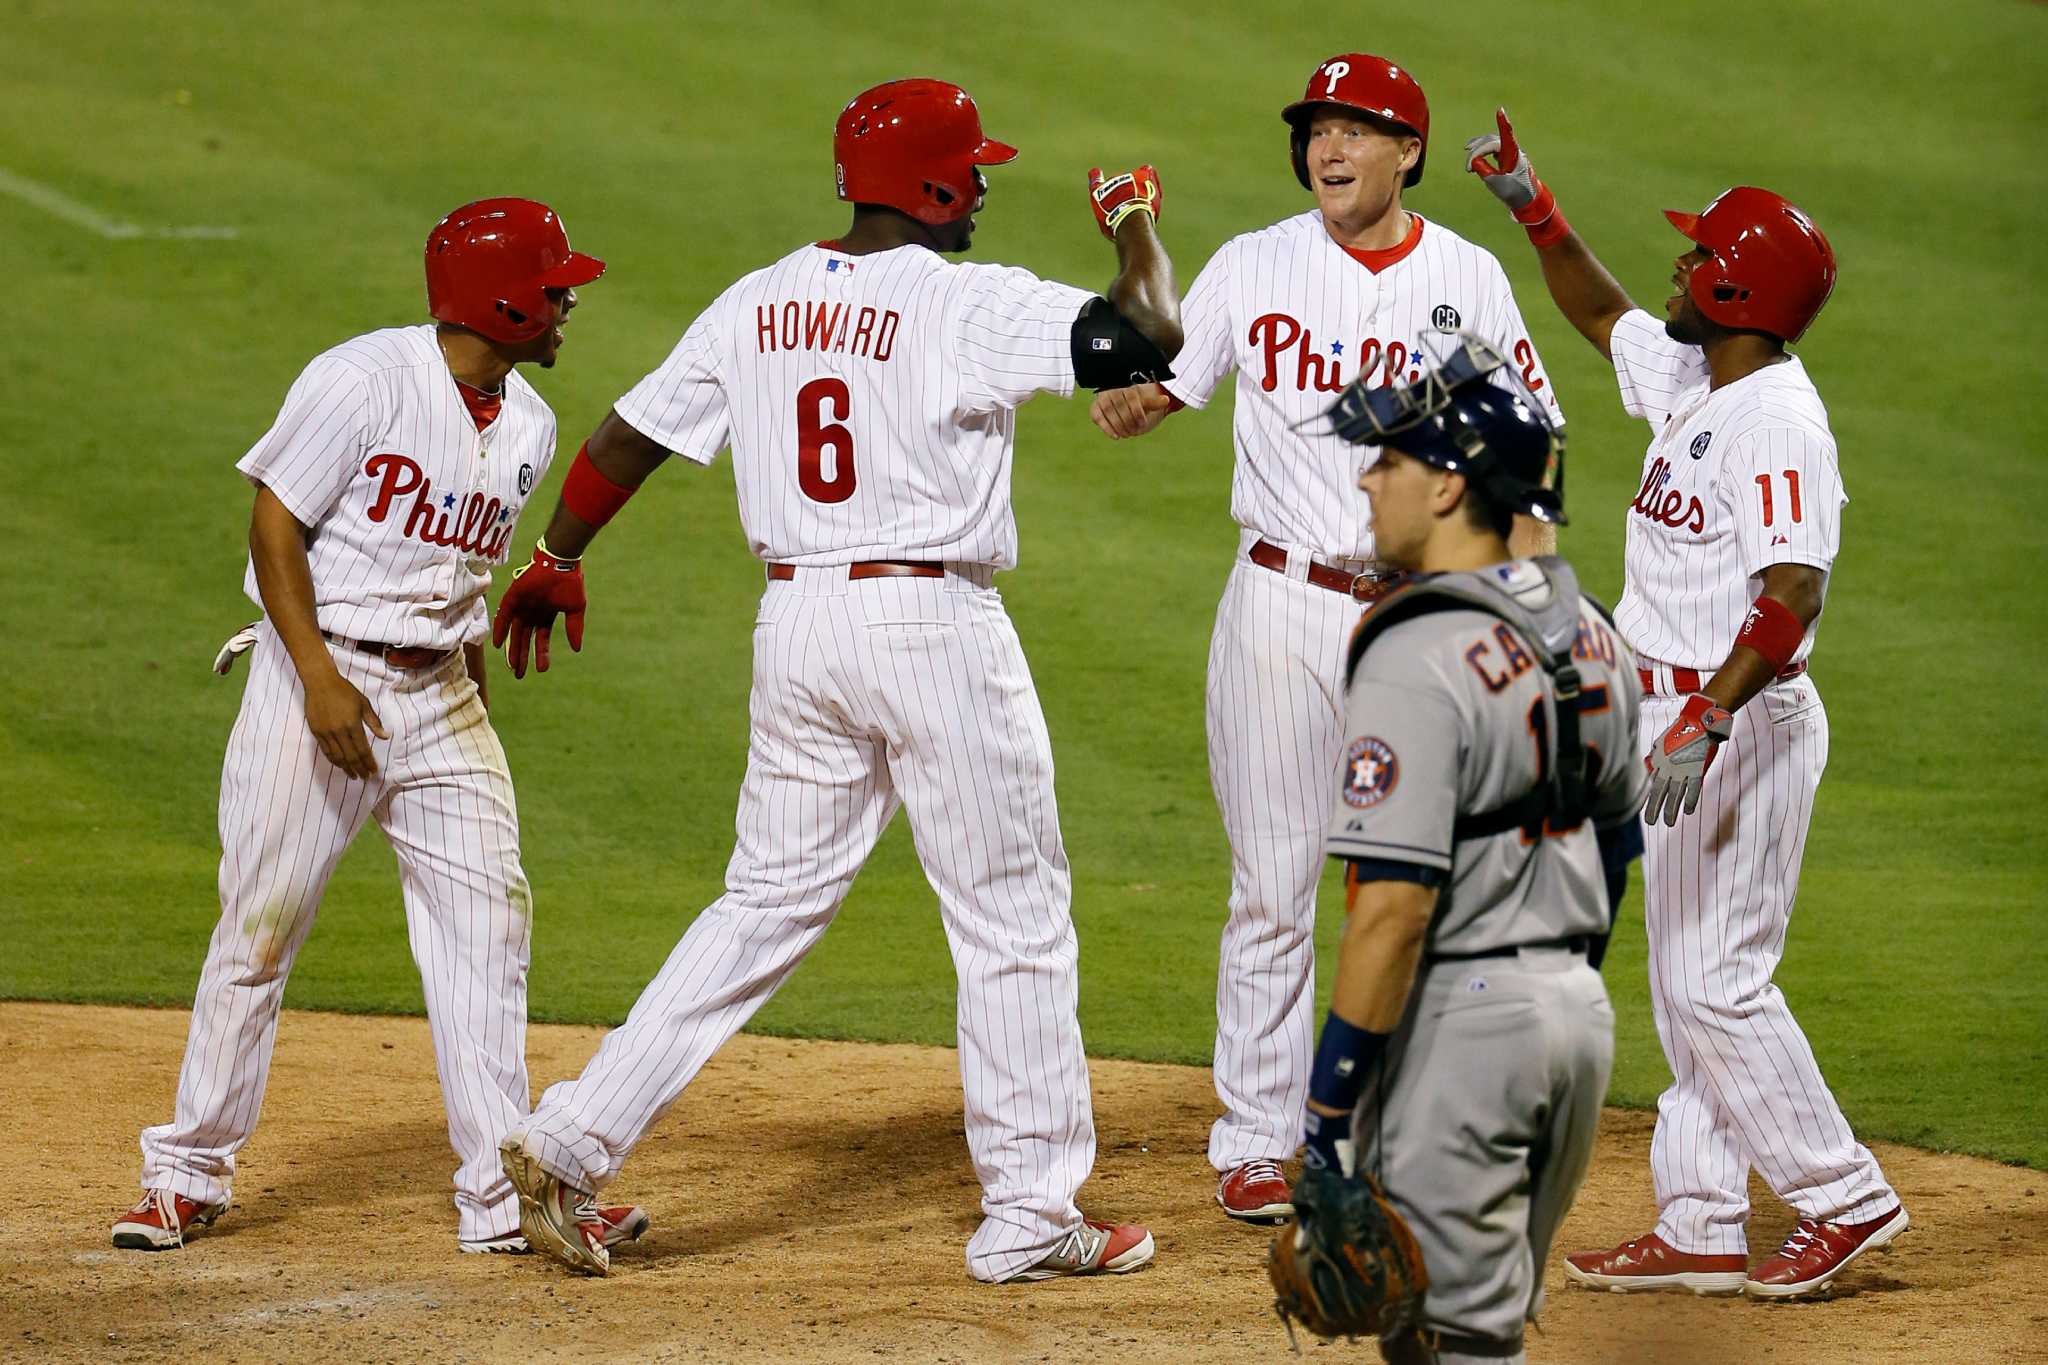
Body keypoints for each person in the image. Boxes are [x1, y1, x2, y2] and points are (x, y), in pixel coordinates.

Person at [485, 79, 1182, 1283]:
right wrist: (1129, 220)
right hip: (930, 625)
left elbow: (625, 435)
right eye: (970, 170)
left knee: (763, 901)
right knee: (1011, 916)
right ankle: (1029, 1206)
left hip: (797, 628)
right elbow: (1146, 335)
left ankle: (570, 1137)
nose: (981, 187)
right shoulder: (969, 301)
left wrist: (556, 557)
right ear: (930, 183)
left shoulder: (758, 299)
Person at [113, 199, 647, 1257]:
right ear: (498, 298)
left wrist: (470, 700)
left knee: (486, 937)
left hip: (442, 693)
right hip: (318, 678)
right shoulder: (360, 381)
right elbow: (276, 521)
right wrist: (313, 676)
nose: (569, 300)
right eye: (553, 287)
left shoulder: (530, 423)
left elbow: (458, 577)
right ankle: (186, 1173)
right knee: (259, 930)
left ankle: (502, 1195)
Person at [1090, 52, 1564, 1225]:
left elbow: (1531, 443)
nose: (1329, 149)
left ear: (1407, 150)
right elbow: (1167, 383)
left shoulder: (1466, 276)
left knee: (1417, 887)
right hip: (1281, 606)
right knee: (1272, 882)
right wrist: (1129, 395)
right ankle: (1254, 1136)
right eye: (1317, 130)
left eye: (1357, 130)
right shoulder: (1254, 262)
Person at [1463, 111, 1907, 1298]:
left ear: (1732, 285)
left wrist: (1703, 717)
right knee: (1685, 984)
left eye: (1692, 255)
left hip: (1732, 729)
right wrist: (1532, 207)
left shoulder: (1773, 423)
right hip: (1675, 720)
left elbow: (1790, 590)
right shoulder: (1708, 375)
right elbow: (1602, 315)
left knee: (1718, 983)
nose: (1674, 268)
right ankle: (1702, 1219)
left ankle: (1840, 1195)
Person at [1297, 333, 1642, 1364]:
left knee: (1453, 1341)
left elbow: (1392, 909)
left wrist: (1325, 1112)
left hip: (1464, 1034)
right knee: (1445, 1322)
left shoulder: (1415, 651)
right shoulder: (1593, 632)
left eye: (1389, 459)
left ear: (1449, 487)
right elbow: (1616, 842)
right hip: (1575, 1023)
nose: (1368, 478)